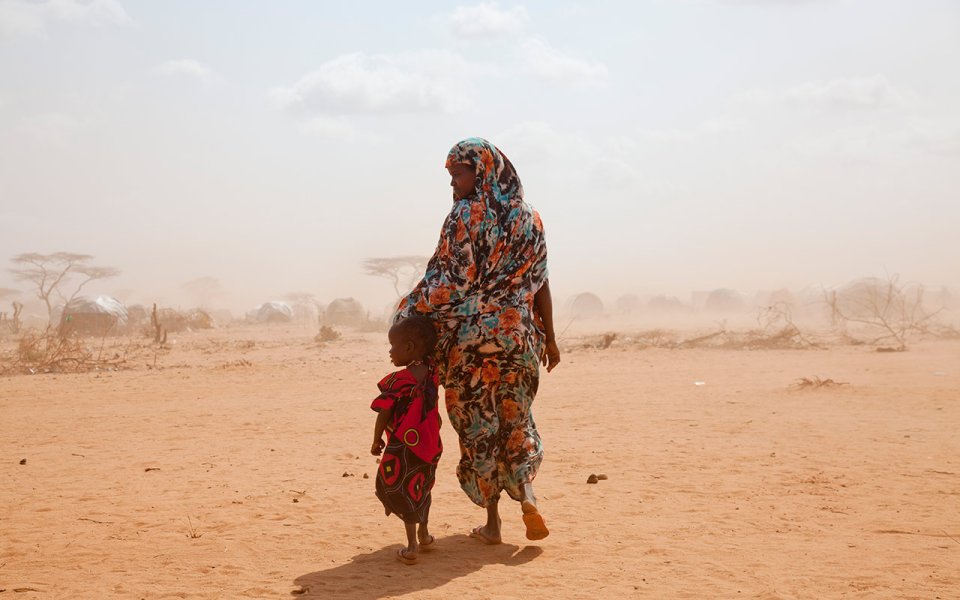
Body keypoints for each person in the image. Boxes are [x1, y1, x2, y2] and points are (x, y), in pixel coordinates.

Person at [395, 137, 561, 544]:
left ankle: (492, 525)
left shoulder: (465, 215)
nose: (453, 183)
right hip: (518, 338)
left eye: (459, 173)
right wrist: (551, 340)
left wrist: (408, 310)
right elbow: (539, 284)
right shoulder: (531, 218)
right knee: (516, 421)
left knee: (478, 430)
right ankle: (528, 497)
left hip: (470, 345)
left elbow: (450, 280)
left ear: (482, 169)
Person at [370, 315, 443, 565]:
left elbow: (385, 412)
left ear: (409, 348)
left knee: (401, 489)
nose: (390, 351)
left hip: (405, 445)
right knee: (423, 487)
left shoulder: (399, 380)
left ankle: (412, 546)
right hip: (431, 443)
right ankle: (424, 535)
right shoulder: (433, 371)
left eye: (393, 345)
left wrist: (376, 439)